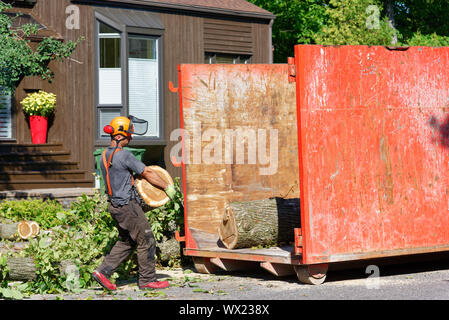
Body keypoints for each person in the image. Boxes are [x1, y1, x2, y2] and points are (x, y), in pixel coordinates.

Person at [92, 116, 177, 291]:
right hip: (128, 207)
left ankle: (102, 272)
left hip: (114, 206)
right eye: (129, 134)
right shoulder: (125, 155)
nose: (131, 137)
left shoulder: (104, 155)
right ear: (120, 136)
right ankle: (148, 280)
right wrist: (167, 187)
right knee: (147, 239)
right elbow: (147, 172)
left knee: (127, 241)